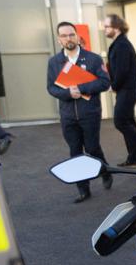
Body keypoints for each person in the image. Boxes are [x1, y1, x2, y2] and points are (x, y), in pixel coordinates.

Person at [47, 21, 113, 203]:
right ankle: (83, 190)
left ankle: (105, 172)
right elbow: (51, 88)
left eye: (71, 34)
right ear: (59, 39)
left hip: (89, 113)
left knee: (92, 148)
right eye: (64, 35)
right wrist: (68, 93)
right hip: (68, 116)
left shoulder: (93, 59)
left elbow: (104, 82)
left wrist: (81, 88)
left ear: (77, 36)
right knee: (75, 152)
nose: (68, 38)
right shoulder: (54, 62)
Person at [104, 14, 136, 168]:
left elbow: (123, 70)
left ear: (116, 27)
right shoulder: (119, 43)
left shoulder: (122, 45)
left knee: (120, 121)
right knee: (128, 121)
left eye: (107, 26)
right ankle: (133, 157)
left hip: (128, 89)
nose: (104, 30)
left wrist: (114, 85)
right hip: (126, 89)